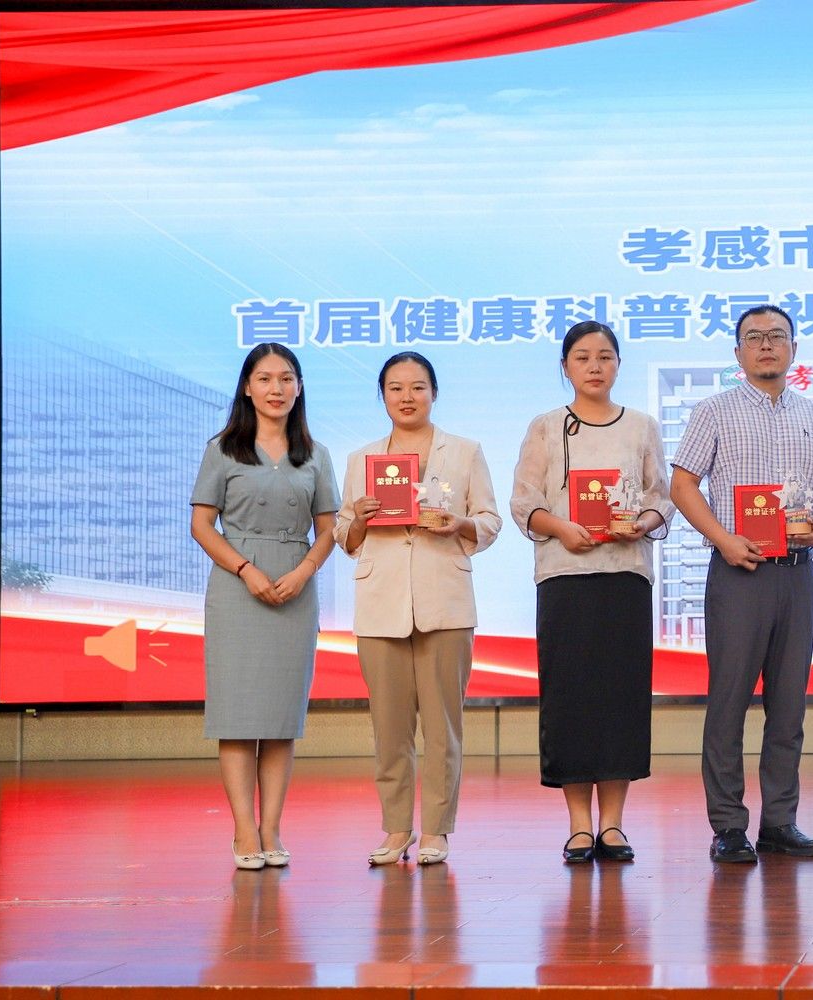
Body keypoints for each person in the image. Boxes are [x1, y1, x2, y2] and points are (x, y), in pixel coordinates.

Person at [670, 304, 813, 864]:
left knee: (789, 706)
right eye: (754, 337)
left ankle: (780, 822)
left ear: (794, 348)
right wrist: (723, 539)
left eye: (777, 336)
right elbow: (682, 485)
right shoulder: (714, 411)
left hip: (797, 573)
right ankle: (728, 825)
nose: (766, 345)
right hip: (739, 573)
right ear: (738, 352)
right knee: (728, 703)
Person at [510, 321, 673, 864]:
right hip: (564, 575)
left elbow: (660, 497)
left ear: (619, 365)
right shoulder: (546, 426)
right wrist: (561, 528)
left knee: (621, 699)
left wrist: (641, 522)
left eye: (605, 356)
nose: (595, 366)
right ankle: (580, 825)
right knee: (570, 700)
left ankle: (613, 824)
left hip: (625, 574)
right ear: (565, 367)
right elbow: (524, 501)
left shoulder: (642, 426)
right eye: (582, 357)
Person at [336, 351, 501, 866]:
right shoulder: (362, 459)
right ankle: (395, 829)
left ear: (434, 393)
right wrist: (359, 520)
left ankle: (436, 830)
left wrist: (459, 524)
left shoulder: (465, 451)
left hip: (444, 602)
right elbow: (344, 535)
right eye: (395, 388)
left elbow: (490, 520)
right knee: (389, 729)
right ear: (382, 395)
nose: (407, 397)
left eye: (417, 387)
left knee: (442, 727)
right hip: (381, 603)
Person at [190, 344, 338, 870]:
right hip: (237, 588)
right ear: (247, 387)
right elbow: (202, 525)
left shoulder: (315, 453)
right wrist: (246, 569)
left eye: (287, 378)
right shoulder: (223, 449)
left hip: (296, 588)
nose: (277, 388)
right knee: (238, 716)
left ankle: (272, 827)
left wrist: (304, 571)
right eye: (265, 378)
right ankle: (244, 830)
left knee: (279, 719)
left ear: (299, 387)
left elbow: (329, 529)